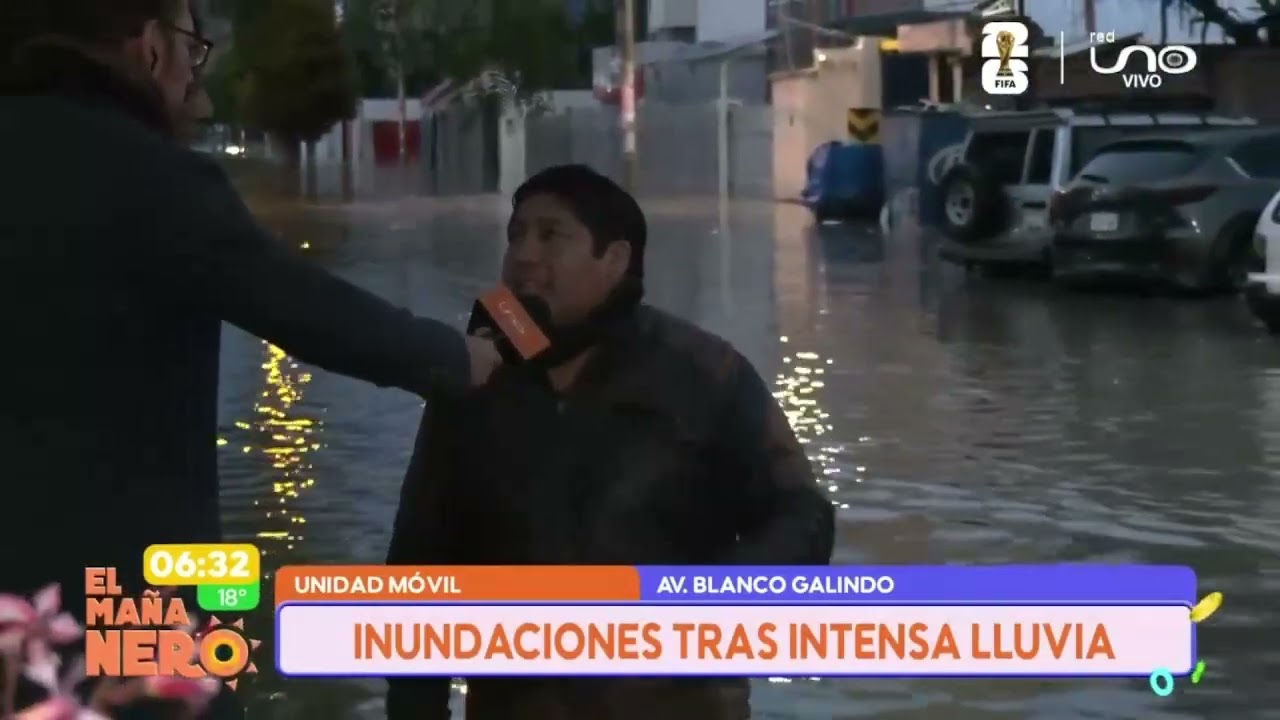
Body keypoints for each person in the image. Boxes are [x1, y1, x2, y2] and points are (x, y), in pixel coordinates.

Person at [0, 0, 501, 607]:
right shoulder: (153, 179)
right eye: (192, 49)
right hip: (116, 599)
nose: (200, 91)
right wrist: (461, 358)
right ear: (151, 45)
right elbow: (312, 311)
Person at [386, 165, 836, 720]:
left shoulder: (704, 372)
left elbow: (802, 517)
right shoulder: (478, 375)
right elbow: (419, 560)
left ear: (615, 260)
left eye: (551, 236)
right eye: (516, 235)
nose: (523, 255)